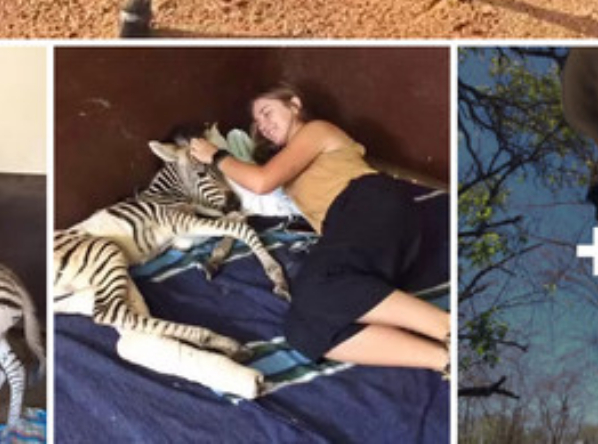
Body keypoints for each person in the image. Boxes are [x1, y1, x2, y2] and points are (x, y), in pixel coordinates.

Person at [187, 83, 448, 373]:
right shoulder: (287, 163)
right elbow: (258, 191)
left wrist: (217, 155)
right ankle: (444, 360)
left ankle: (448, 328)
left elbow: (261, 182)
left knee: (319, 282)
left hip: (367, 203)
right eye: (258, 123)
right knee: (302, 331)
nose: (263, 125)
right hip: (355, 234)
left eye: (267, 112)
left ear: (294, 104)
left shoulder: (315, 131)